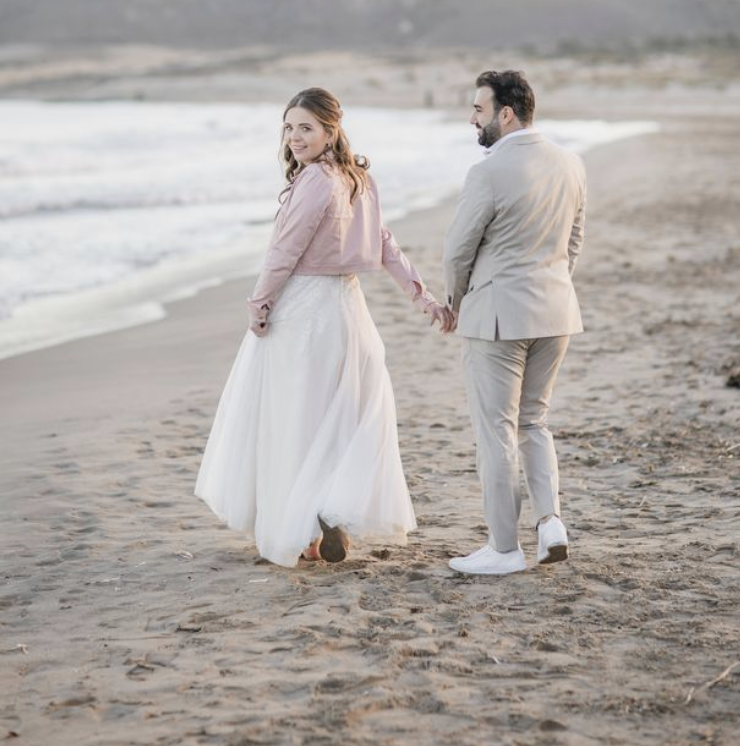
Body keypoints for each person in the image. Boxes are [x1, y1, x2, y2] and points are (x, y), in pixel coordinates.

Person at [195, 87, 453, 568]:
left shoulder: (314, 181)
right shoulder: (359, 179)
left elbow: (285, 251)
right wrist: (423, 297)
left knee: (296, 421)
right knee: (338, 419)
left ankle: (307, 531)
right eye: (289, 128)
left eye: (305, 128)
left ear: (330, 130)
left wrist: (259, 303)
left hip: (303, 312)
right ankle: (326, 516)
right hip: (348, 310)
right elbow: (384, 244)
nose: (295, 137)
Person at [443, 70, 586, 576]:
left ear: (506, 113)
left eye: (479, 110)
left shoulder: (487, 172)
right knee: (534, 421)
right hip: (556, 312)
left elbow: (459, 249)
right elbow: (573, 243)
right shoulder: (570, 163)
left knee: (497, 431)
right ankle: (551, 523)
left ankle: (504, 548)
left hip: (498, 317)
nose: (473, 118)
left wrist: (454, 302)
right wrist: (548, 289)